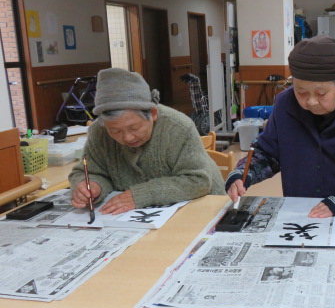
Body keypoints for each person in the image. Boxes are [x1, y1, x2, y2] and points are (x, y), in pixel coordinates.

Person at [226, 35, 335, 218]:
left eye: (321, 93)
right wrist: (242, 174)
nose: (310, 101)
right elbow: (268, 154)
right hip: (306, 213)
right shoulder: (285, 104)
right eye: (301, 92)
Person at [69, 68, 225, 214]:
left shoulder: (178, 127)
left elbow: (198, 181)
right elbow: (90, 173)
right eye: (115, 131)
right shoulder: (99, 132)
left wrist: (142, 195)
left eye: (135, 128)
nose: (127, 138)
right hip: (144, 218)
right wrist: (91, 186)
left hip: (203, 208)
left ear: (153, 113)